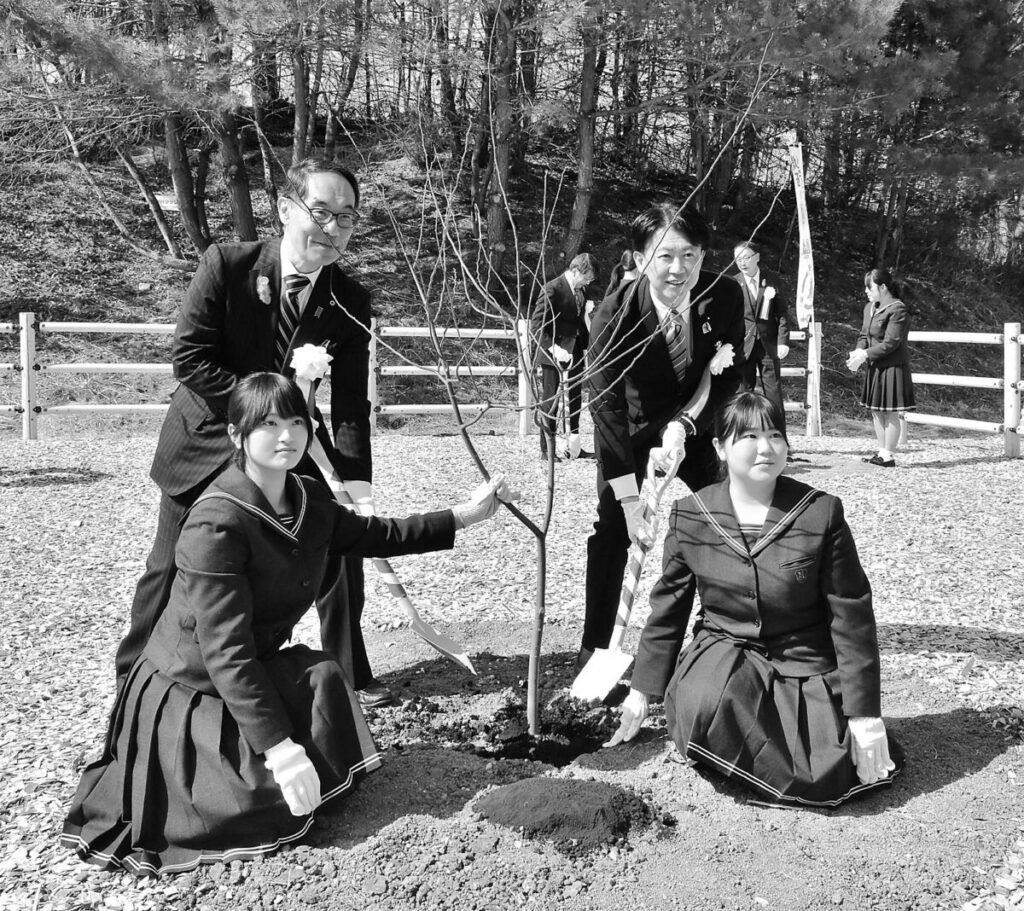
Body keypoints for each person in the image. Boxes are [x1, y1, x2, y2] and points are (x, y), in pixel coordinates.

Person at [62, 373, 513, 876]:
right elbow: (225, 651)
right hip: (193, 685)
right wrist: (279, 750)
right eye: (269, 424)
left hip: (251, 664)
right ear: (237, 435)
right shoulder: (216, 522)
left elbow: (377, 534)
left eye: (297, 422)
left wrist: (466, 515)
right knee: (240, 812)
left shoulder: (306, 497)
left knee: (323, 676)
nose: (287, 436)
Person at [114, 157, 394, 708]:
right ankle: (133, 685)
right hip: (208, 438)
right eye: (321, 211)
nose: (333, 228)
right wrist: (263, 411)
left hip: (292, 443)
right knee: (168, 568)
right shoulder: (228, 264)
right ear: (286, 209)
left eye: (347, 217)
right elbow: (191, 359)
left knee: (341, 545)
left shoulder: (349, 299)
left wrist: (357, 483)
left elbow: (350, 403)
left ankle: (349, 672)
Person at [605, 392, 904, 807]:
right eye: (749, 436)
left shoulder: (821, 513)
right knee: (706, 702)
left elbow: (851, 615)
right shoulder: (690, 515)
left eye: (775, 435)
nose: (766, 448)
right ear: (720, 448)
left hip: (803, 660)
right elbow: (668, 611)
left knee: (823, 769)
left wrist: (864, 713)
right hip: (724, 655)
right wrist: (641, 692)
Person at [582, 203, 746, 666]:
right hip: (632, 432)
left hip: (695, 426)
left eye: (690, 255)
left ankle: (718, 634)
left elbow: (731, 374)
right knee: (613, 530)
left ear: (703, 256)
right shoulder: (614, 316)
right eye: (665, 256)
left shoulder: (724, 295)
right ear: (640, 258)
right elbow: (607, 409)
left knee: (728, 518)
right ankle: (595, 648)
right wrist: (629, 501)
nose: (679, 269)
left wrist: (687, 424)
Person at [529, 253, 598, 461]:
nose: (588, 282)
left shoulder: (582, 290)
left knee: (575, 397)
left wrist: (586, 347)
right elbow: (536, 326)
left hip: (575, 349)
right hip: (553, 351)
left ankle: (573, 447)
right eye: (587, 277)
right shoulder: (552, 288)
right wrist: (553, 348)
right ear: (575, 270)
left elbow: (579, 323)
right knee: (551, 400)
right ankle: (547, 449)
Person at [846, 267, 915, 468]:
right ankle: (882, 451)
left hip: (893, 366)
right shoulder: (869, 307)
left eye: (870, 287)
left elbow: (891, 342)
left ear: (883, 287)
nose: (866, 291)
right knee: (876, 410)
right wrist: (858, 351)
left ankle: (888, 455)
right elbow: (863, 335)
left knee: (890, 412)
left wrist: (865, 354)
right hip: (875, 365)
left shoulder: (897, 309)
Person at [732, 241, 792, 433]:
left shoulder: (772, 279)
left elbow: (782, 313)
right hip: (743, 345)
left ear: (757, 257)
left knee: (773, 393)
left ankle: (779, 436)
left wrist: (783, 341)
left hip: (769, 345)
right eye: (738, 259)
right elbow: (729, 318)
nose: (742, 262)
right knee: (743, 393)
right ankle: (744, 435)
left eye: (746, 257)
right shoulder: (733, 282)